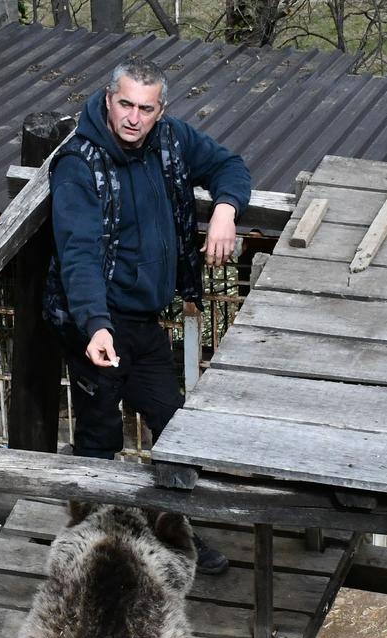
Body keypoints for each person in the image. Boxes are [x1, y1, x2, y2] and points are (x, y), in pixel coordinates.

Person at [42, 58, 251, 576]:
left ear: (161, 111)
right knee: (98, 438)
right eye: (126, 104)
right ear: (109, 99)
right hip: (95, 319)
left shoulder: (173, 140)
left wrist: (225, 209)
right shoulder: (78, 163)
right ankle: (93, 555)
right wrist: (94, 325)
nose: (134, 118)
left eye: (146, 108)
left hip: (144, 321)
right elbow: (79, 251)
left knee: (174, 425)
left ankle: (174, 535)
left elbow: (231, 166)